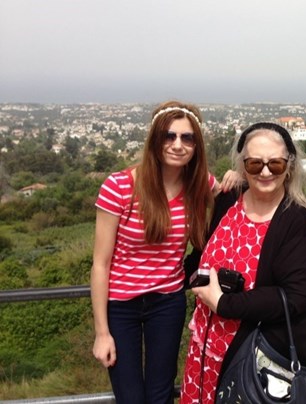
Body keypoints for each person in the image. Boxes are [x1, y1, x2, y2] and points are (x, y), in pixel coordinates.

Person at [180, 122, 306, 404]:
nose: (265, 172)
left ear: (288, 166)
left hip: (256, 361)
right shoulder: (228, 199)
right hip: (207, 350)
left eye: (275, 164)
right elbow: (200, 253)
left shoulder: (296, 219)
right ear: (242, 166)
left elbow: (297, 295)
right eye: (254, 164)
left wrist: (224, 303)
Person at [91, 100, 220, 403]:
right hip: (121, 305)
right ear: (155, 140)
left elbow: (237, 199)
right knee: (131, 396)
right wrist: (101, 332)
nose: (177, 145)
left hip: (167, 302)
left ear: (196, 145)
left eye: (187, 138)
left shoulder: (199, 183)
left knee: (161, 394)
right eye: (169, 136)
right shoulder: (120, 187)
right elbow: (100, 263)